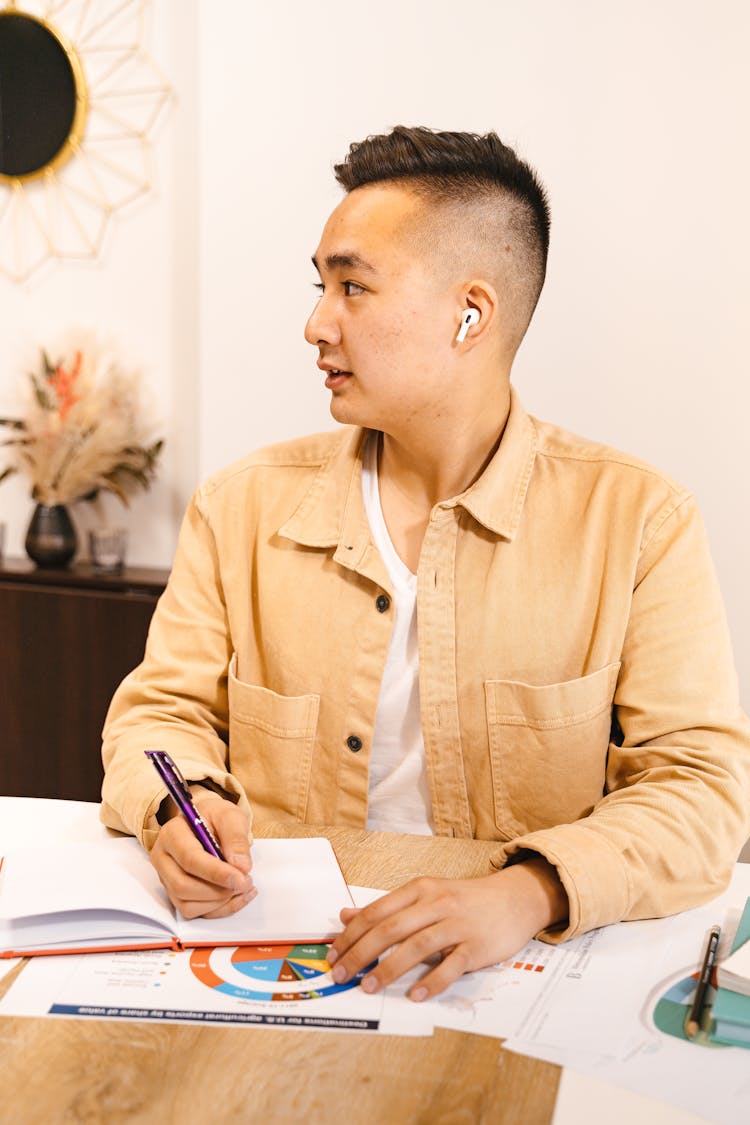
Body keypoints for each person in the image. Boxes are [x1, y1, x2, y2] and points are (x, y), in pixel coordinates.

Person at [101, 125, 750, 1003]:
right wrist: (180, 806)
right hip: (269, 961)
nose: (315, 323)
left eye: (352, 286)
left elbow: (700, 789)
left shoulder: (640, 519)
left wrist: (526, 891)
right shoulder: (239, 505)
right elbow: (160, 712)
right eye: (319, 284)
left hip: (512, 975)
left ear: (470, 313)